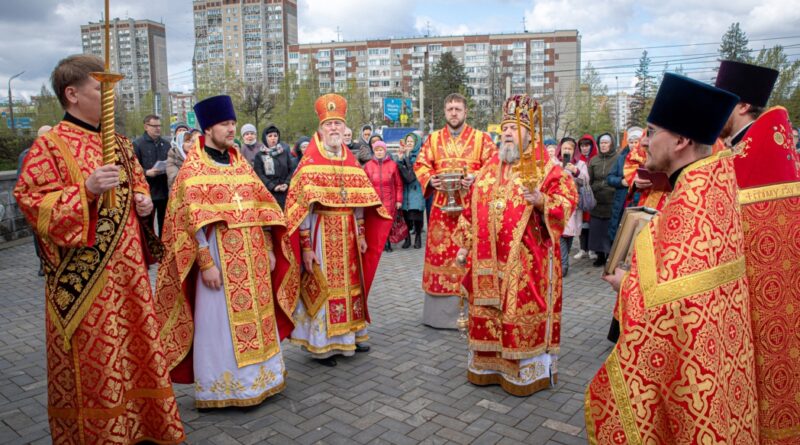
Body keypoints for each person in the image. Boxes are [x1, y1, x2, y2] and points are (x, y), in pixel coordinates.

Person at [14, 54, 184, 444]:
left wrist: (142, 203)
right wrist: (85, 192)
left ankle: (143, 427)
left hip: (129, 278)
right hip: (85, 284)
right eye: (100, 89)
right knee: (96, 366)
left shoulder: (120, 144)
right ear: (72, 94)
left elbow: (137, 185)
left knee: (137, 352)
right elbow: (32, 203)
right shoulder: (51, 147)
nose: (111, 99)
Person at [586, 73, 758, 443]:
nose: (643, 142)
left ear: (680, 140)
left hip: (693, 376)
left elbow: (673, 304)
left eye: (651, 132)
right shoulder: (713, 184)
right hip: (714, 370)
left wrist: (625, 284)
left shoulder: (691, 205)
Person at [155, 95, 298, 409]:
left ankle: (264, 380)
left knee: (259, 319)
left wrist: (270, 245)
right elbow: (189, 221)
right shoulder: (194, 169)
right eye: (225, 124)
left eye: (233, 122)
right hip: (220, 259)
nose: (231, 129)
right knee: (219, 323)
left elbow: (263, 207)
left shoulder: (240, 162)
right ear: (208, 128)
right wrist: (205, 263)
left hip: (255, 258)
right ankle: (225, 388)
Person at [454, 95, 577, 396]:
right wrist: (464, 246)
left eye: (515, 127)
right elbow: (471, 210)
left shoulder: (546, 169)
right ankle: (488, 367)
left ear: (530, 133)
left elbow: (567, 200)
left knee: (517, 311)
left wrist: (543, 201)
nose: (507, 133)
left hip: (527, 264)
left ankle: (525, 373)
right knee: (489, 312)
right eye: (505, 127)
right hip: (487, 266)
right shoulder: (488, 169)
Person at [715, 59, 800, 443]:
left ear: (743, 106)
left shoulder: (752, 156)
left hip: (761, 298)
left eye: (723, 102)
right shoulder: (757, 147)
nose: (717, 111)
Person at [285, 94, 392, 367]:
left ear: (345, 129)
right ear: (321, 128)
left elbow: (360, 202)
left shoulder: (351, 161)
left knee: (350, 286)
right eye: (329, 124)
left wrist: (361, 234)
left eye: (338, 124)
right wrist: (306, 247)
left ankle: (351, 335)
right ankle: (323, 345)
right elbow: (302, 211)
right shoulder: (309, 164)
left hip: (347, 235)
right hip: (321, 233)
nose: (334, 129)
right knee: (326, 287)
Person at [414, 93, 495, 329]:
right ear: (444, 112)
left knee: (471, 256)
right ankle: (439, 316)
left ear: (465, 112)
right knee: (442, 256)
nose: (453, 113)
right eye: (449, 109)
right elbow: (420, 164)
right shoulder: (433, 139)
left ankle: (476, 312)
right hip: (441, 212)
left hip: (471, 210)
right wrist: (431, 180)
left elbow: (495, 165)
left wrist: (476, 177)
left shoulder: (482, 139)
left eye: (458, 108)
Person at [18, 125, 52, 276]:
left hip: (53, 201)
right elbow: (22, 181)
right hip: (37, 201)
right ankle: (43, 262)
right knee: (39, 233)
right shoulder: (29, 155)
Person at [556, 137, 588, 277]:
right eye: (564, 149)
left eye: (569, 149)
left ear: (574, 150)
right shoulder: (554, 163)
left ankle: (563, 261)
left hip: (573, 205)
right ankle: (563, 265)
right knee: (561, 234)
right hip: (557, 204)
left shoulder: (580, 164)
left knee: (568, 235)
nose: (566, 151)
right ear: (560, 149)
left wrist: (576, 171)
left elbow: (586, 180)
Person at [133, 114, 170, 237]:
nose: (157, 129)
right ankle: (150, 252)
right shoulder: (138, 144)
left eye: (159, 126)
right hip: (147, 192)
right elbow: (132, 167)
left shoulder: (166, 144)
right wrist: (146, 172)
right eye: (154, 126)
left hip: (164, 191)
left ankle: (164, 249)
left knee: (165, 225)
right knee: (147, 227)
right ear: (146, 127)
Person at [364, 140, 403, 252]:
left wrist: (399, 200)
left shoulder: (393, 165)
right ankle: (378, 243)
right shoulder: (368, 166)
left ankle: (387, 243)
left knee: (387, 223)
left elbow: (398, 184)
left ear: (385, 151)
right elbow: (365, 185)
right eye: (377, 150)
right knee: (376, 223)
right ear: (374, 151)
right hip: (374, 200)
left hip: (389, 199)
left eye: (381, 150)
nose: (379, 152)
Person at [606, 127, 643, 243]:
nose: (633, 145)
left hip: (639, 202)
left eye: (636, 142)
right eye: (631, 142)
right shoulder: (621, 159)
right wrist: (621, 182)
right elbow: (610, 178)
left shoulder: (646, 159)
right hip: (622, 202)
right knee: (619, 234)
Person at [587, 133, 618, 267]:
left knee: (610, 229)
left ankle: (610, 256)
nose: (604, 145)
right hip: (597, 200)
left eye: (606, 143)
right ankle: (600, 256)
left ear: (611, 144)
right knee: (598, 230)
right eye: (601, 143)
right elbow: (589, 180)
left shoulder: (618, 158)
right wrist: (595, 188)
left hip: (612, 199)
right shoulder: (594, 160)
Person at [396, 132, 426, 249]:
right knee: (406, 216)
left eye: (411, 142)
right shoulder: (402, 155)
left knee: (416, 215)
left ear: (416, 143)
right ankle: (407, 238)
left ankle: (418, 237)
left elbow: (411, 176)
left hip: (416, 189)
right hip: (405, 191)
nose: (409, 144)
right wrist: (399, 160)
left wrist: (406, 159)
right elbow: (398, 173)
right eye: (407, 142)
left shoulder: (420, 157)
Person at [254, 123, 292, 208]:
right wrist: (273, 186)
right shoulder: (260, 155)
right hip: (269, 193)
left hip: (285, 192)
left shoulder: (284, 152)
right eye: (270, 136)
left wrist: (286, 183)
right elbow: (259, 175)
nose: (273, 138)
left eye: (275, 135)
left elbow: (291, 170)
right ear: (265, 138)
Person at [573, 134, 597, 260]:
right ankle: (582, 248)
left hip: (592, 196)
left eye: (587, 145)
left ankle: (592, 249)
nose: (584, 148)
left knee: (592, 223)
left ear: (591, 146)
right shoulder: (577, 160)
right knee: (581, 223)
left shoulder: (596, 158)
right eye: (582, 145)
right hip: (581, 196)